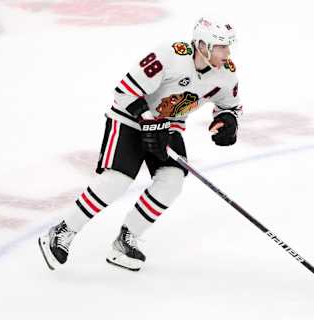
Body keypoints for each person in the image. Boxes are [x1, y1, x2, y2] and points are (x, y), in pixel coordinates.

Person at [38, 17, 242, 272]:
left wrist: (228, 122)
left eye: (228, 47)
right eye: (222, 46)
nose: (227, 53)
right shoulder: (169, 55)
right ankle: (63, 230)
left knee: (172, 181)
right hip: (129, 119)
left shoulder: (226, 73)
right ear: (203, 45)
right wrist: (147, 122)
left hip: (167, 127)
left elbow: (231, 107)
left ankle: (126, 239)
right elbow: (124, 92)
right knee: (118, 179)